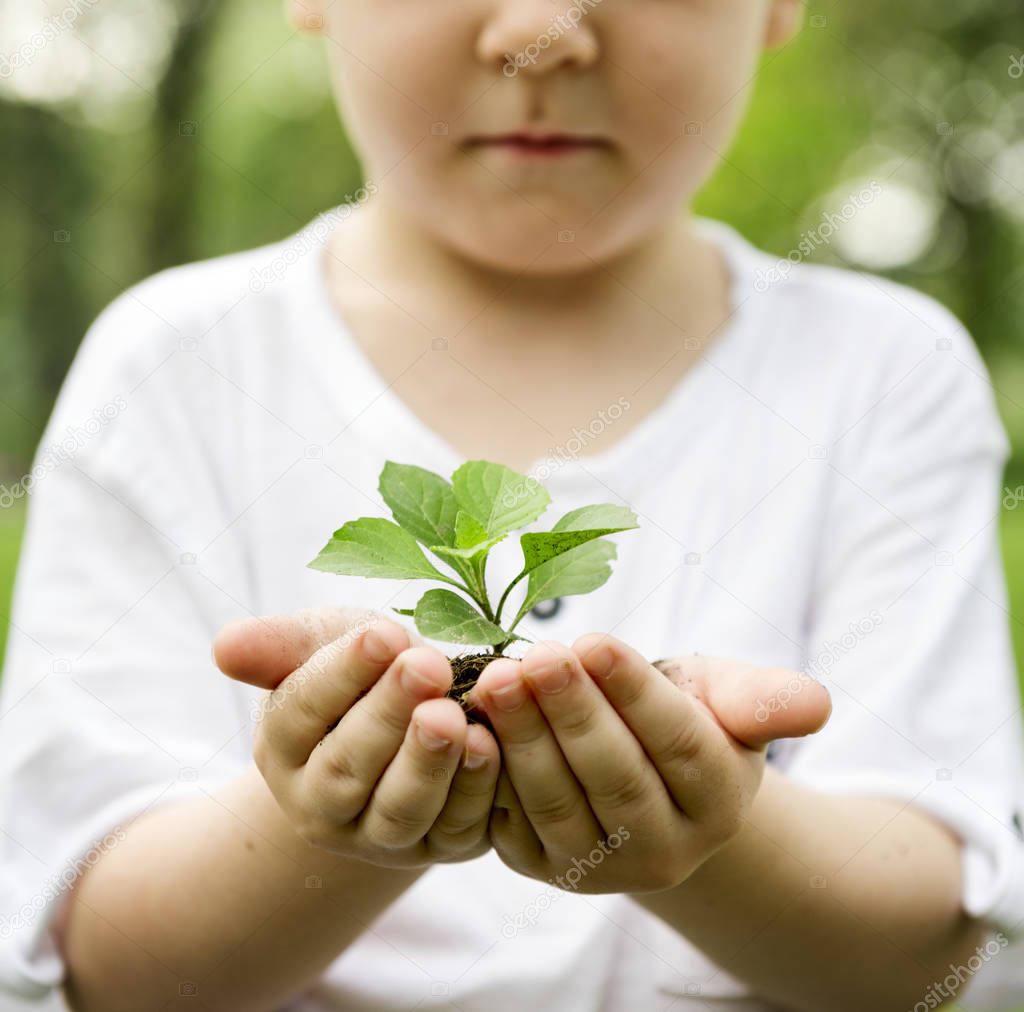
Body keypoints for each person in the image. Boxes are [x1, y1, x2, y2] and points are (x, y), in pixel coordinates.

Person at [1, 1, 1023, 1009]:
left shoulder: (883, 371)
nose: (541, 31)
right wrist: (331, 823)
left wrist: (711, 829)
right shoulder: (176, 368)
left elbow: (918, 957)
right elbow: (110, 968)